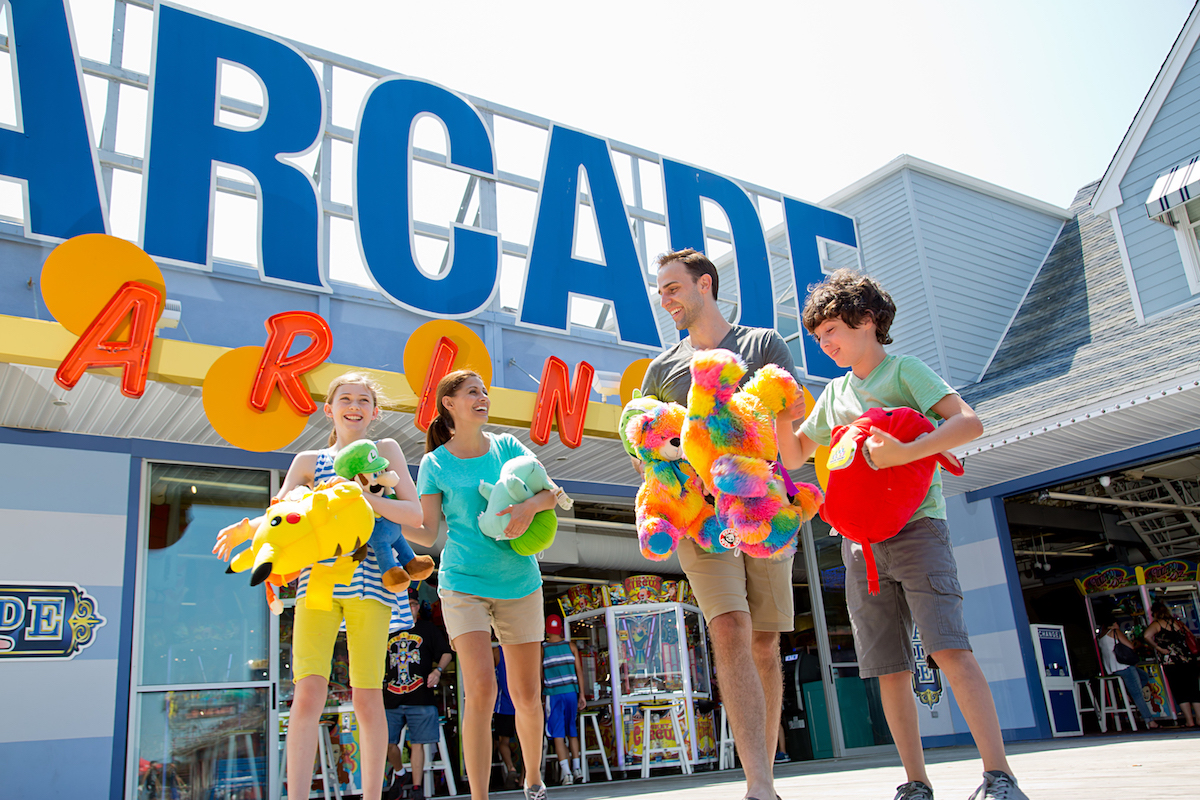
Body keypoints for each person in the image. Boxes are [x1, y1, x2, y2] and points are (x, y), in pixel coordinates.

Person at [776, 269, 1026, 800]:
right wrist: (784, 415)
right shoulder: (833, 393)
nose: (825, 346)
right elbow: (795, 454)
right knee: (888, 667)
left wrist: (906, 451)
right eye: (819, 339)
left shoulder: (903, 371)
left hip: (917, 531)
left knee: (948, 649)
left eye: (832, 333)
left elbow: (967, 422)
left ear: (867, 321)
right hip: (859, 546)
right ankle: (915, 783)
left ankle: (998, 776)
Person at [636, 248, 801, 800]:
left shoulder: (762, 345)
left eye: (673, 287)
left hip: (762, 511)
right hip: (700, 523)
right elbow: (646, 450)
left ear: (705, 284)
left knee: (765, 640)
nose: (666, 299)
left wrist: (735, 469)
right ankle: (759, 788)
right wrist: (680, 470)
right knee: (728, 628)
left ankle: (766, 776)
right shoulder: (661, 370)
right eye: (661, 291)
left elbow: (786, 423)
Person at [214, 372, 424, 800]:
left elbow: (414, 514)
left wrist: (361, 498)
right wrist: (250, 530)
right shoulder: (308, 461)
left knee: (368, 696)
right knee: (307, 693)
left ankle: (372, 796)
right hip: (318, 587)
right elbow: (284, 517)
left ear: (375, 412)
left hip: (373, 588)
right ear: (328, 409)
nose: (355, 405)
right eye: (345, 398)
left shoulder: (385, 451)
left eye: (364, 400)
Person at [403, 369, 558, 800]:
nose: (482, 398)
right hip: (463, 584)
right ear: (448, 403)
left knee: (526, 695)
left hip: (520, 583)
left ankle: (532, 780)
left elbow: (553, 494)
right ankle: (479, 797)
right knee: (482, 690)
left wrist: (528, 507)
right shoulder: (434, 463)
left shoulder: (508, 446)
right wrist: (382, 511)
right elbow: (426, 530)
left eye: (484, 392)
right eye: (472, 392)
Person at [384, 589, 453, 800]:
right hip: (391, 696)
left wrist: (438, 671)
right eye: (405, 603)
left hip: (421, 695)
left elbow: (446, 652)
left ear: (417, 607)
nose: (409, 607)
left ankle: (416, 788)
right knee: (386, 742)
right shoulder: (386, 629)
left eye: (413, 604)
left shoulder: (428, 629)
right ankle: (399, 772)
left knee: (418, 743)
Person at [542, 614, 587, 785]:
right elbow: (579, 672)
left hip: (553, 695)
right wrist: (581, 695)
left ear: (546, 629)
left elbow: (539, 675)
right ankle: (577, 769)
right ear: (560, 628)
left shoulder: (543, 649)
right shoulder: (571, 646)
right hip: (571, 693)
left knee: (558, 735)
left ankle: (566, 773)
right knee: (572, 731)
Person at [1095, 612, 1159, 729]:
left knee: (1143, 676)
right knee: (1138, 693)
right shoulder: (1115, 632)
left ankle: (1129, 693)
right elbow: (1131, 646)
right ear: (1114, 623)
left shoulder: (1101, 636)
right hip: (1124, 666)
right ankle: (1150, 721)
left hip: (1112, 668)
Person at [1143, 601, 1200, 727]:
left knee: (1180, 691)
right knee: (1194, 690)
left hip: (1171, 662)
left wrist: (1159, 648)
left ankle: (1189, 721)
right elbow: (1189, 635)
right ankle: (1199, 718)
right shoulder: (1178, 623)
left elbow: (1146, 636)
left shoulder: (1157, 624)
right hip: (1187, 660)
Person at [493, 645, 522, 791]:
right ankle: (524, 777)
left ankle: (511, 768)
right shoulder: (521, 649)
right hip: (522, 703)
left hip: (503, 705)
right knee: (525, 743)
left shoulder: (497, 652)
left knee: (502, 741)